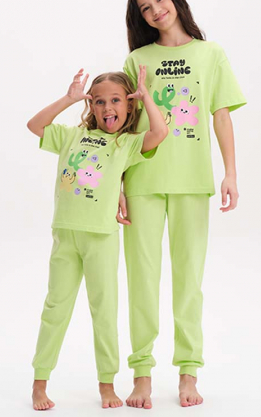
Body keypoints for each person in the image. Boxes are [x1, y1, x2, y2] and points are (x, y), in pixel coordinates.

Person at [117, 0, 247, 408]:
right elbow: (126, 126)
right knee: (142, 281)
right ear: (140, 17)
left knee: (189, 281)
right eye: (146, 7)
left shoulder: (211, 53)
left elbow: (221, 116)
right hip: (143, 180)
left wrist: (230, 173)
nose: (156, 10)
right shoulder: (137, 59)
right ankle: (142, 376)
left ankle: (189, 374)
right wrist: (118, 183)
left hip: (192, 181)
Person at [27, 66, 168, 410]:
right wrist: (68, 99)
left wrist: (146, 97)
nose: (108, 107)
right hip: (65, 235)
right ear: (91, 105)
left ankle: (107, 384)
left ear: (129, 106)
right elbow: (35, 125)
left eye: (116, 100)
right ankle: (39, 383)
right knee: (55, 309)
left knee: (104, 313)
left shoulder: (126, 144)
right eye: (100, 101)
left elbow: (160, 132)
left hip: (102, 239)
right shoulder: (70, 136)